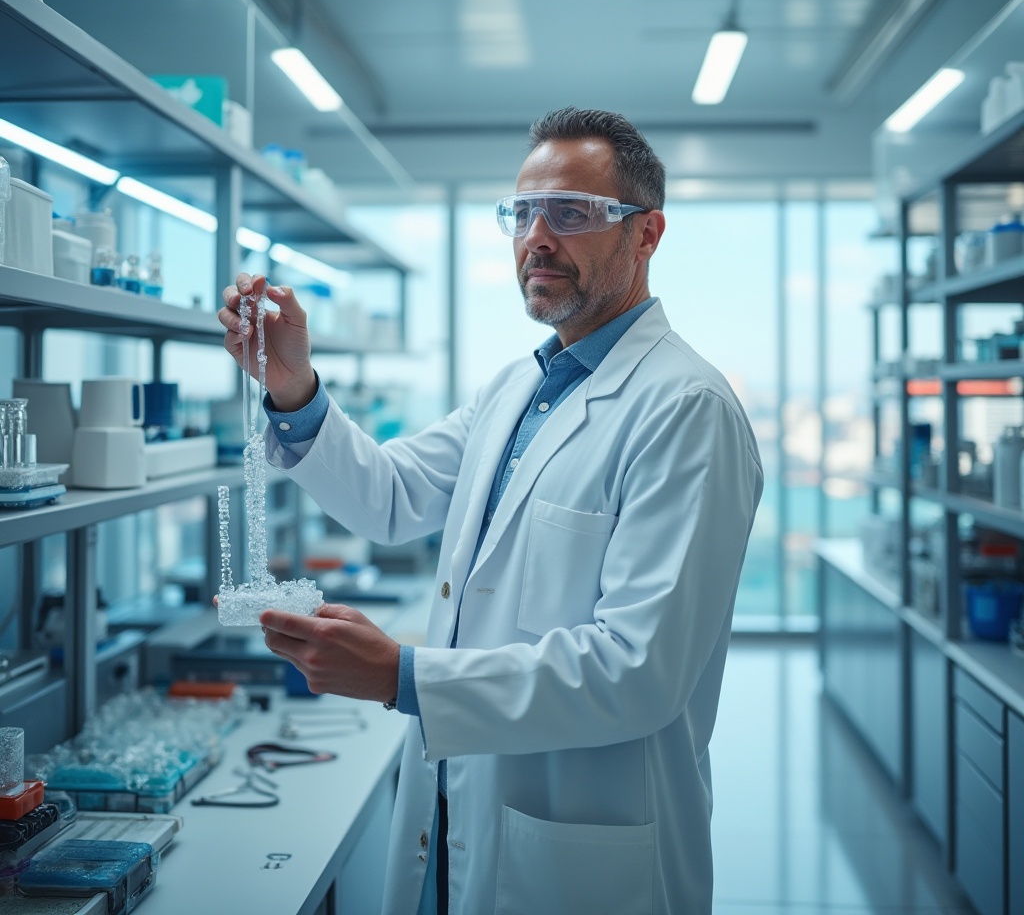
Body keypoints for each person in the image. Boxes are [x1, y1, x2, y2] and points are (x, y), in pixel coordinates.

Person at [218, 107, 763, 915]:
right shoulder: (517, 389)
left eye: (571, 213)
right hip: (459, 810)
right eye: (522, 213)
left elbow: (639, 672)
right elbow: (392, 497)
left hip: (584, 854)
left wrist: (405, 677)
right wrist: (292, 384)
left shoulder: (686, 409)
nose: (537, 237)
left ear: (646, 235)